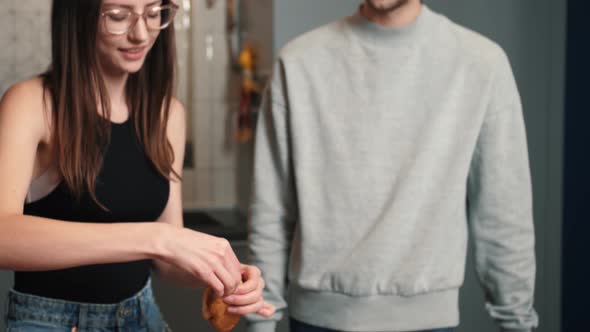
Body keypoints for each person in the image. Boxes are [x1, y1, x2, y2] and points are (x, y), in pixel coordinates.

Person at [246, 0, 539, 331]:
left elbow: (503, 213)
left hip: (429, 324)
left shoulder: (481, 64)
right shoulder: (298, 62)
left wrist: (517, 322)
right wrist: (260, 321)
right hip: (315, 321)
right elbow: (271, 212)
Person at [0, 0, 274, 330]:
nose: (141, 34)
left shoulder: (167, 114)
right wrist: (155, 238)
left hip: (142, 317)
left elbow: (167, 262)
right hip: (49, 321)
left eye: (153, 12)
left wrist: (223, 272)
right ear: (78, 15)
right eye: (118, 16)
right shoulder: (32, 103)